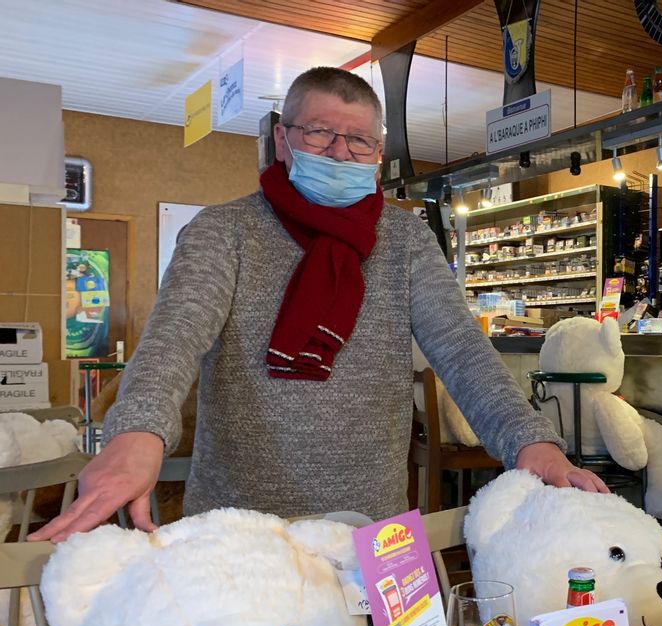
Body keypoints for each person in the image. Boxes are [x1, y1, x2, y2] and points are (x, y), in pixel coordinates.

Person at [31, 67, 606, 543]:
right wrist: (137, 433)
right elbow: (174, 338)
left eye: (359, 141)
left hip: (374, 530)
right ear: (282, 139)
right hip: (237, 530)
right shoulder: (223, 232)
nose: (339, 152)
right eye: (319, 133)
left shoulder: (404, 241)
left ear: (377, 153)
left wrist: (531, 443)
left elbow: (462, 350)